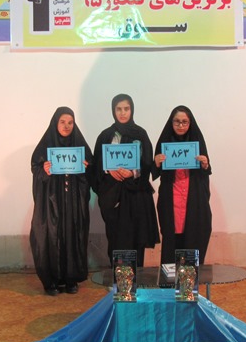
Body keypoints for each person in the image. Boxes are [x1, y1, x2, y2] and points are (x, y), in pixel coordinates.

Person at [30, 107, 93, 296]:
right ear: (55, 123)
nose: (67, 126)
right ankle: (51, 281)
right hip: (51, 205)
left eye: (70, 122)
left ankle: (71, 279)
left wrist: (86, 169)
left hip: (73, 204)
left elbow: (92, 172)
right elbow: (36, 169)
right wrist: (44, 171)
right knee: (49, 238)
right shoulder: (45, 147)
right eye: (62, 122)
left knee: (73, 237)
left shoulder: (80, 147)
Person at [92, 94, 159, 267]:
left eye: (126, 109)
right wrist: (109, 170)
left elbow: (147, 163)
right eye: (119, 109)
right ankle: (119, 278)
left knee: (136, 238)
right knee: (116, 239)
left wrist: (132, 173)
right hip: (113, 197)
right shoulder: (106, 136)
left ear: (132, 110)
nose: (123, 113)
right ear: (113, 111)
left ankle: (136, 278)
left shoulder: (140, 134)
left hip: (136, 196)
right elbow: (96, 164)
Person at [153, 105, 212, 265]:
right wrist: (156, 162)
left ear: (190, 123)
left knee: (193, 235)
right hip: (171, 200)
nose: (180, 125)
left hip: (193, 200)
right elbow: (155, 172)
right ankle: (170, 276)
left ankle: (189, 277)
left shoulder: (197, 142)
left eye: (184, 122)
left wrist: (205, 164)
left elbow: (206, 171)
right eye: (177, 121)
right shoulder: (165, 142)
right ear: (171, 122)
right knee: (172, 238)